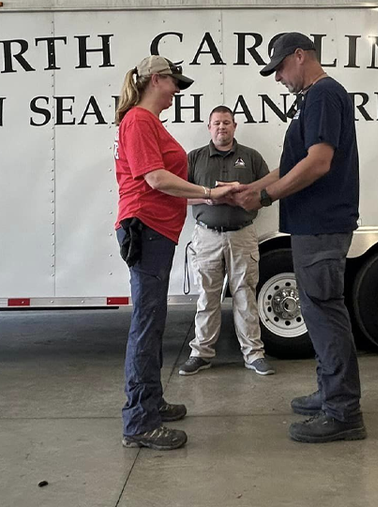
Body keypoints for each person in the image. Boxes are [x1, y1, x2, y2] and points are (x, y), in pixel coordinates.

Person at [234, 32, 365, 443]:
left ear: (299, 56)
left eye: (279, 69)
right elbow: (293, 164)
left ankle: (343, 413)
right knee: (316, 313)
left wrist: (267, 195)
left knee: (325, 315)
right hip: (312, 225)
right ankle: (330, 392)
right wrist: (253, 189)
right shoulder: (312, 99)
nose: (277, 79)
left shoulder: (325, 94)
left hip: (322, 224)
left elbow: (318, 163)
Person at [113, 55, 240, 451]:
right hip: (146, 228)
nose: (176, 91)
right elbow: (154, 178)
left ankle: (150, 402)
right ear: (155, 80)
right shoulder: (138, 120)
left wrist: (209, 189)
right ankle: (138, 421)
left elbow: (164, 177)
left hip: (156, 230)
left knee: (154, 321)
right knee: (147, 326)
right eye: (173, 83)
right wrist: (208, 192)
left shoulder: (148, 122)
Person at [179, 106, 274, 377]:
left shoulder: (251, 158)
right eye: (217, 123)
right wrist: (209, 197)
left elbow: (267, 191)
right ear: (209, 127)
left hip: (242, 234)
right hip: (206, 235)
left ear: (235, 126)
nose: (222, 127)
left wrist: (244, 196)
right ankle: (201, 353)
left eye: (227, 123)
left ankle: (254, 354)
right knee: (207, 297)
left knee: (245, 294)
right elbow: (177, 195)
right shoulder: (194, 158)